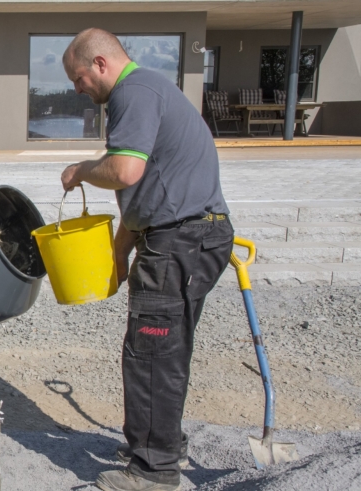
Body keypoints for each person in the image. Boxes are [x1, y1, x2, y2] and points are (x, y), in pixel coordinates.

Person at [59, 28, 234, 491]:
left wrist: (80, 171)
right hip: (190, 238)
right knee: (166, 348)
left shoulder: (132, 92)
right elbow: (142, 204)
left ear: (100, 64)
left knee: (151, 353)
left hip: (181, 241)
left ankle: (154, 472)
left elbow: (124, 171)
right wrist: (116, 264)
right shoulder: (152, 88)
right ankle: (162, 444)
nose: (77, 89)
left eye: (78, 78)